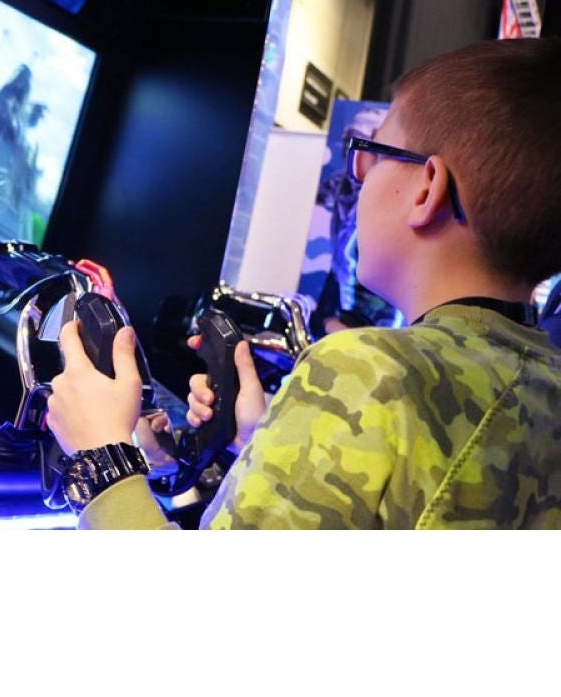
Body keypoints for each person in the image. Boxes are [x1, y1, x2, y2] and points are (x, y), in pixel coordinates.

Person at [45, 37, 561, 529]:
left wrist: (101, 454)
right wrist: (265, 446)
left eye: (371, 152)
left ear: (427, 189)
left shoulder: (368, 371)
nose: (358, 177)